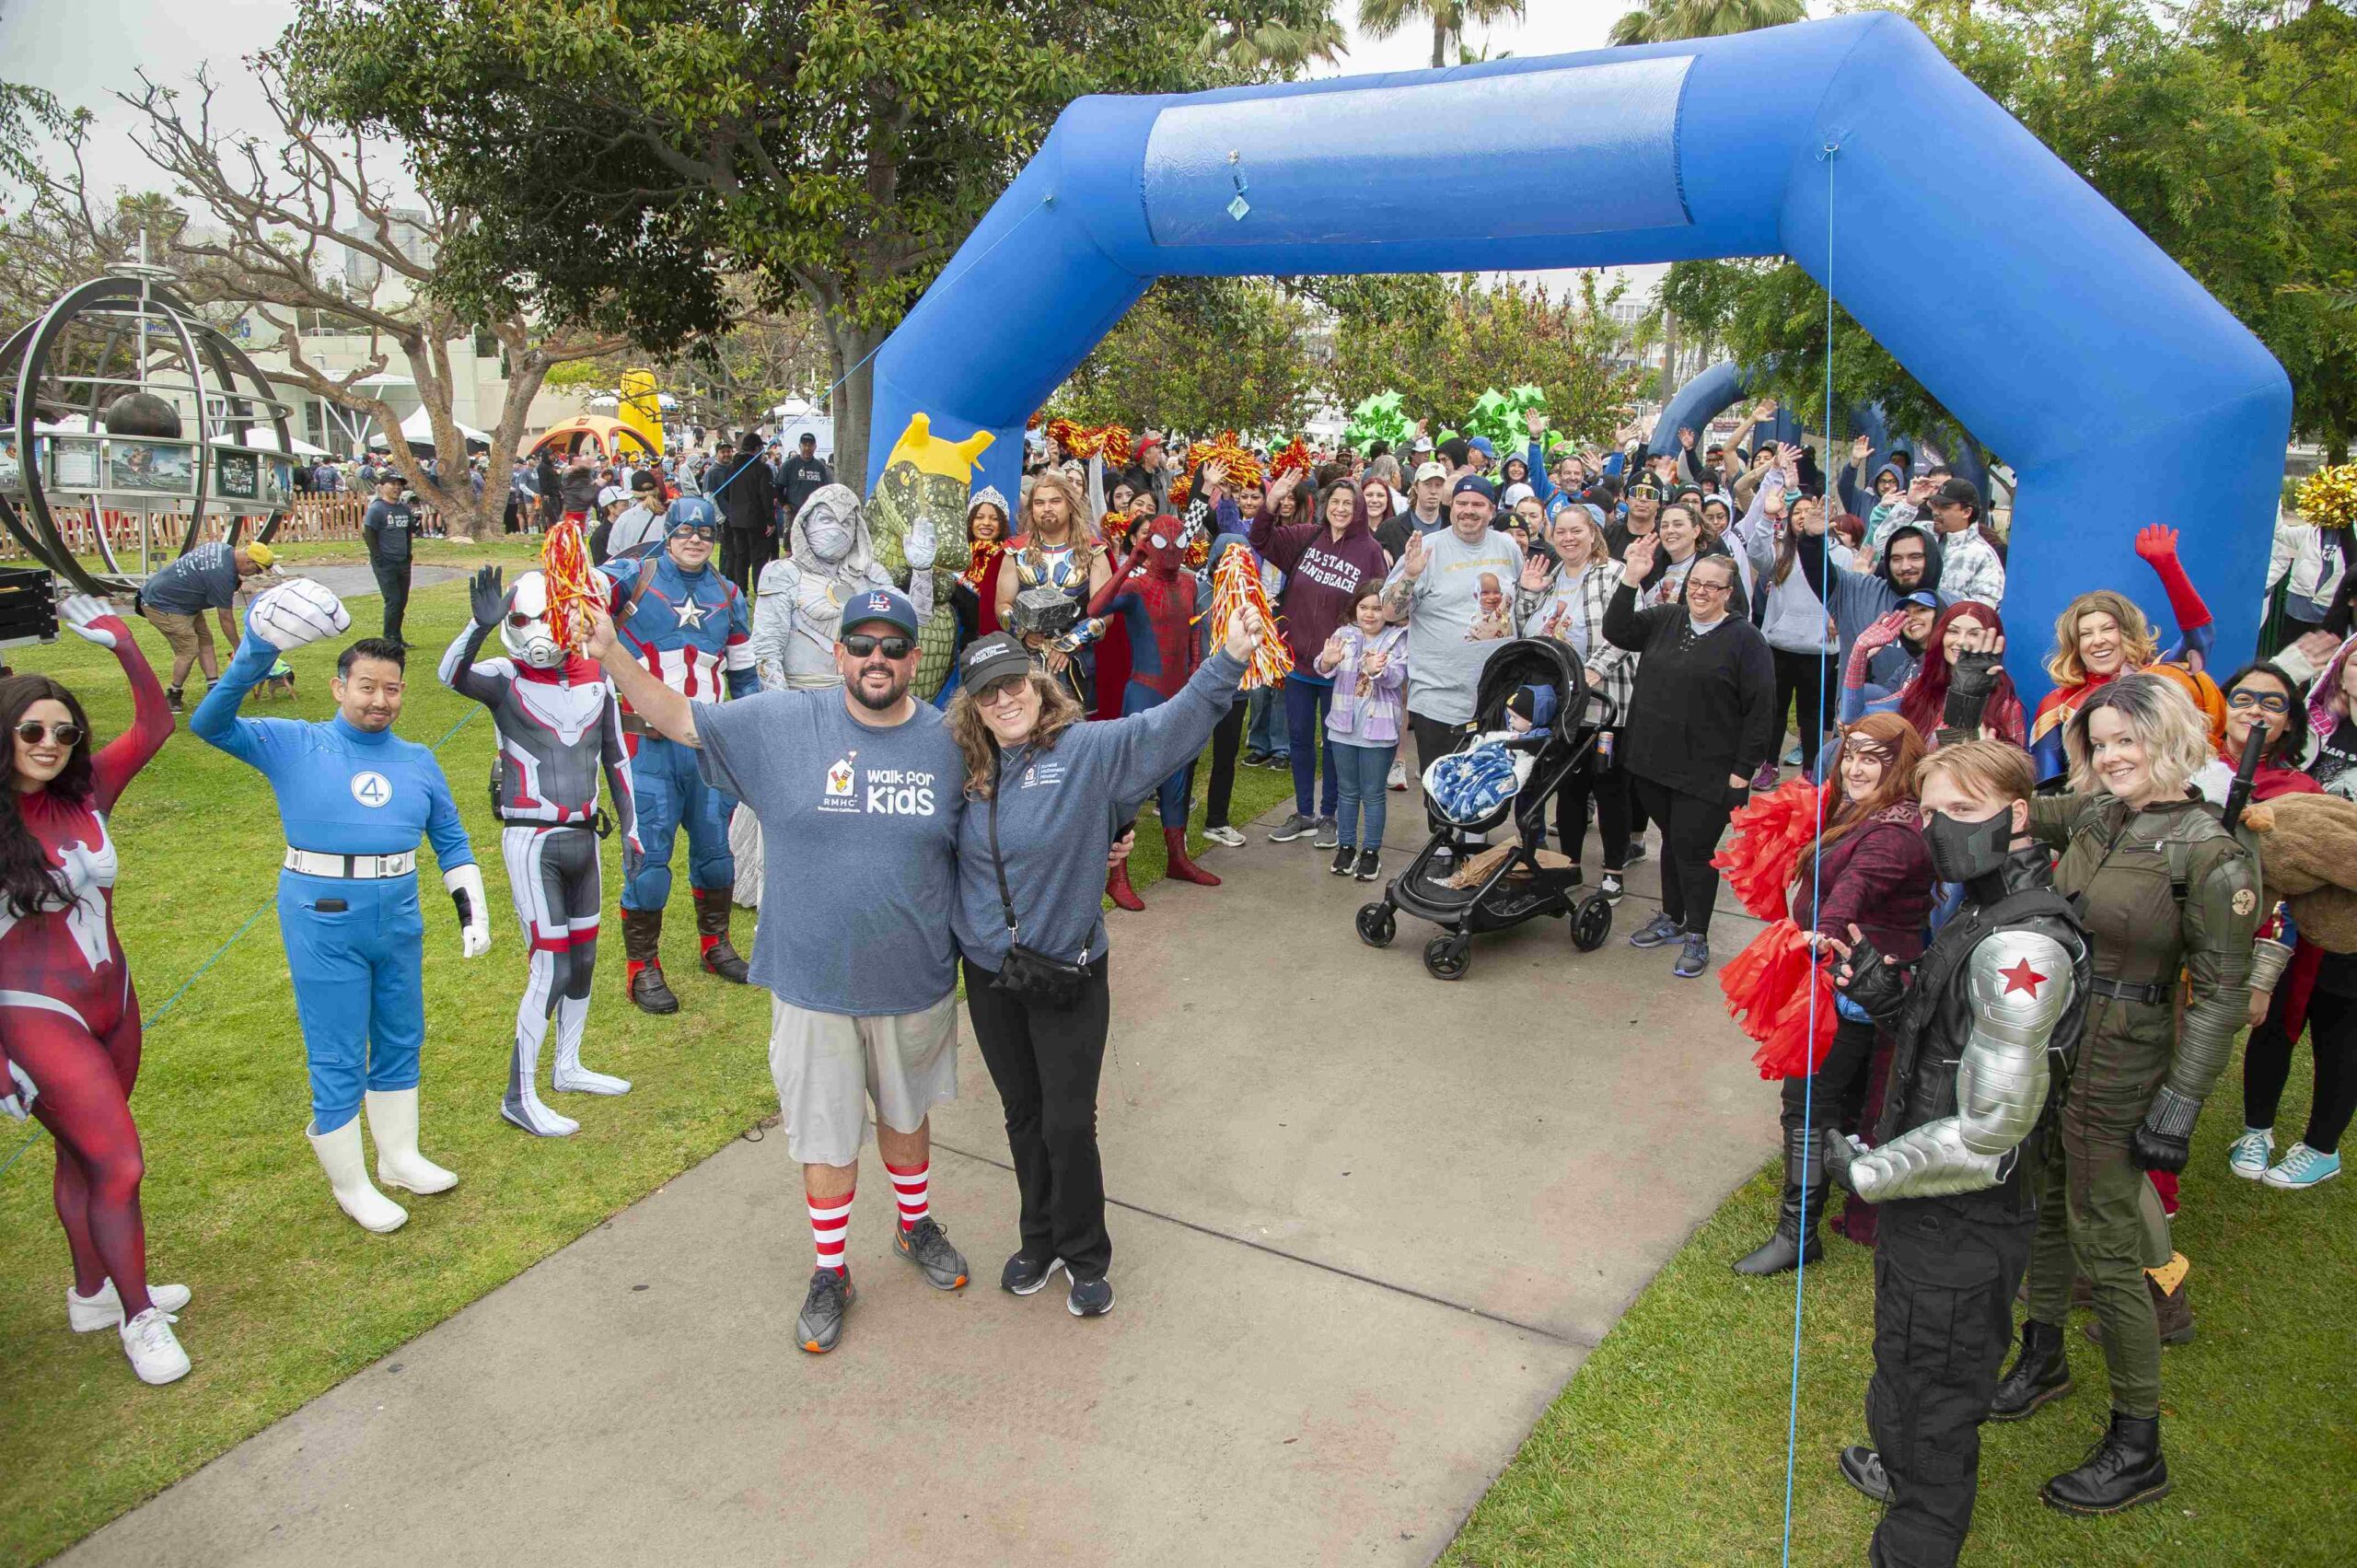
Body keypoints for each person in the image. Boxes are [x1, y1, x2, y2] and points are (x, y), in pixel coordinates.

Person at [585, 587, 971, 1355]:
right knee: (825, 1132)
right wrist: (610, 653)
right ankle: (831, 1269)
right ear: (838, 652)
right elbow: (682, 719)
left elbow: (1012, 819)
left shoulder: (952, 741)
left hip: (914, 974)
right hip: (811, 979)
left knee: (906, 1115)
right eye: (862, 644)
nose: (877, 658)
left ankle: (914, 1223)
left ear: (913, 659)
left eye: (894, 646)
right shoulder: (786, 722)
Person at [1980, 674, 2258, 1515]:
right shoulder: (2100, 813)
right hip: (2060, 1035)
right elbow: (2011, 802)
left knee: (2105, 1240)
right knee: (2046, 1198)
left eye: (2125, 741)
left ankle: (2139, 1445)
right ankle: (2044, 1355)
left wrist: (2180, 1104)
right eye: (2099, 743)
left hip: (2127, 1057)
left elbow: (2221, 996)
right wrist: (1957, 722)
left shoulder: (2212, 855)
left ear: (2167, 739)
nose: (2109, 756)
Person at [945, 610, 1265, 1318]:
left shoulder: (1085, 750)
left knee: (1067, 1120)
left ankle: (1085, 1253)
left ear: (1038, 683)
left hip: (1069, 970)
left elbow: (1168, 729)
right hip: (991, 974)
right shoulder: (962, 769)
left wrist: (1227, 660)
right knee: (1022, 1114)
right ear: (972, 706)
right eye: (988, 692)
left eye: (1013, 683)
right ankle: (1039, 1239)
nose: (1004, 699)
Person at [1819, 738, 2089, 1567]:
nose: (1940, 830)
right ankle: (1899, 1465)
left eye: (1964, 811)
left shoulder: (2022, 947)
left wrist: (1868, 1171)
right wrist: (1882, 991)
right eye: (1932, 811)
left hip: (1966, 1219)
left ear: (2018, 813)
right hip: (1927, 1214)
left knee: (1935, 1400)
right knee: (1903, 1365)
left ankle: (1914, 1534)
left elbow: (1989, 1133)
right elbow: (1943, 1048)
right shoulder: (1978, 908)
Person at [192, 582, 492, 1234]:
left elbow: (450, 839)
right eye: (366, 686)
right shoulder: (292, 741)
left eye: (392, 689)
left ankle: (399, 1157)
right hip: (323, 916)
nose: (379, 700)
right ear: (338, 687)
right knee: (336, 1050)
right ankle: (350, 1182)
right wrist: (255, 652)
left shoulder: (418, 760)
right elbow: (208, 724)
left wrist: (472, 906)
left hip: (398, 915)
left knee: (401, 1034)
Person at [1, 598, 192, 1384]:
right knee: (120, 1164)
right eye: (33, 731)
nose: (50, 743)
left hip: (116, 1003)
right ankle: (139, 1315)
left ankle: (93, 1292)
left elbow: (155, 726)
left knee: (83, 1156)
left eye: (65, 731)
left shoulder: (86, 794)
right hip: (37, 1015)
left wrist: (125, 647)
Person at [1727, 713, 1933, 1275]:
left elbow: (1855, 886)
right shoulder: (1866, 811)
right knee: (1833, 1103)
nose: (1855, 768)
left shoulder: (1895, 834)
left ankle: (1797, 1235)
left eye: (1873, 759)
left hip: (1853, 983)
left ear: (1901, 766)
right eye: (1851, 756)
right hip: (1845, 979)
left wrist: (1824, 931)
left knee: (1807, 1104)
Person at [439, 566, 641, 1138]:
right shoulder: (505, 677)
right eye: (524, 620)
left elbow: (615, 756)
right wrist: (477, 628)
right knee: (550, 965)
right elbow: (450, 674)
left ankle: (567, 1064)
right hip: (533, 839)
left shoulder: (596, 675)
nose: (539, 633)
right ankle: (519, 1094)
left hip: (584, 836)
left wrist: (632, 829)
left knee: (584, 957)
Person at [601, 499, 757, 1014]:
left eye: (706, 532)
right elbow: (577, 596)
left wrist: (751, 734)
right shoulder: (633, 577)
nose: (696, 540)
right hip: (645, 744)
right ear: (668, 534)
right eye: (686, 531)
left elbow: (744, 676)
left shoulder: (729, 593)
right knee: (649, 856)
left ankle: (716, 944)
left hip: (707, 743)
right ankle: (642, 967)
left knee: (716, 851)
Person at [1604, 542, 1776, 979]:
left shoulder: (1746, 640)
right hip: (1652, 761)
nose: (1700, 591)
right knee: (1672, 841)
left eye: (1711, 586)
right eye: (1695, 583)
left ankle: (1697, 933)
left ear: (1728, 592)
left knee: (1695, 850)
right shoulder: (1665, 618)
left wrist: (1744, 770)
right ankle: (1672, 917)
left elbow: (1761, 710)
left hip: (1709, 771)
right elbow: (1618, 631)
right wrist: (1630, 579)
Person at [2221, 658, 2349, 1189]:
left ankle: (2259, 1132)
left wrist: (2264, 971)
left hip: (2275, 937)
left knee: (2276, 1023)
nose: (2256, 710)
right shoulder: (2184, 768)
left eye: (2272, 703)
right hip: (2189, 931)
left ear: (2291, 721)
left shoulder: (2302, 791)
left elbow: (2304, 882)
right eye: (2244, 698)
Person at [1253, 472, 1390, 850]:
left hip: (1341, 668)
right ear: (1325, 505)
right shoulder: (1306, 536)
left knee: (1334, 744)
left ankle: (1330, 815)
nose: (1341, 509)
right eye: (1335, 502)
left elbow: (1378, 606)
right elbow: (1261, 539)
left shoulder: (1370, 551)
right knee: (1299, 739)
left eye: (1348, 503)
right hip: (1299, 662)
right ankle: (1304, 813)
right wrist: (1272, 501)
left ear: (1358, 509)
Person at [1095, 512, 1223, 904]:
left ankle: (1177, 858)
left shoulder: (1189, 582)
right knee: (1131, 782)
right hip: (1145, 694)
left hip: (1178, 692)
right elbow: (1095, 608)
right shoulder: (1136, 586)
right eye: (1162, 543)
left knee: (1178, 775)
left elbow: (1195, 629)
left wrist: (1197, 665)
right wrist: (1129, 563)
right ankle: (1117, 873)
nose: (1171, 552)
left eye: (1179, 543)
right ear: (1148, 544)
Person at [1380, 476, 1526, 813]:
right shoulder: (1428, 548)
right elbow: (1390, 612)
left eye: (1478, 504)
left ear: (1492, 510)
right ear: (1451, 506)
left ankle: (1474, 845)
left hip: (1496, 697)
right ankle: (1443, 843)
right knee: (1443, 790)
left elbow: (1520, 602)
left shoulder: (1507, 548)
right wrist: (1410, 576)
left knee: (1488, 792)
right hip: (1439, 697)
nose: (1468, 511)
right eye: (1462, 503)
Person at [2028, 525, 2216, 784]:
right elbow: (2047, 787)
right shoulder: (2057, 706)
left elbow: (2201, 638)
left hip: (2167, 799)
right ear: (2075, 645)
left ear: (2127, 633)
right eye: (2086, 634)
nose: (2098, 641)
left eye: (2108, 629)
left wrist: (2168, 568)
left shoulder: (2159, 679)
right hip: (2092, 806)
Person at [1515, 502, 1636, 898]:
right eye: (1561, 532)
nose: (1568, 539)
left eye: (1576, 531)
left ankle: (1613, 870)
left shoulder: (1614, 574)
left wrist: (1592, 671)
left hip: (1604, 705)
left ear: (1593, 533)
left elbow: (1628, 631)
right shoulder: (1550, 577)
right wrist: (1527, 593)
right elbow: (1525, 631)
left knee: (1609, 790)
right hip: (1564, 708)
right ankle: (1569, 866)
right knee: (1569, 790)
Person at [1733, 490, 1840, 784]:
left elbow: (1846, 592)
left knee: (1812, 713)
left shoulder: (1839, 554)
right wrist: (1768, 516)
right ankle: (1769, 765)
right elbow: (1756, 553)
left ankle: (1811, 769)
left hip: (1818, 648)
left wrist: (1837, 617)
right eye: (1798, 512)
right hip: (1779, 645)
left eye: (1810, 510)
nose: (1803, 516)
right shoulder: (1781, 553)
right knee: (1775, 710)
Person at [750, 485, 892, 691]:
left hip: (859, 697)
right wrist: (782, 704)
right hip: (802, 695)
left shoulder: (869, 574)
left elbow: (915, 619)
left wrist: (922, 572)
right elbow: (767, 650)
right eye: (826, 519)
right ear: (805, 522)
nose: (837, 530)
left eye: (847, 523)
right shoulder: (783, 573)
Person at [1314, 582, 1408, 880]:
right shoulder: (1344, 634)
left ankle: (1371, 852)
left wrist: (1379, 670)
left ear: (1388, 611)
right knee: (1347, 792)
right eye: (1364, 607)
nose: (1369, 614)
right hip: (1343, 727)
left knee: (1373, 794)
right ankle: (1346, 847)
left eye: (1377, 608)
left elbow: (1397, 678)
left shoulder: (1398, 638)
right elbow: (1323, 666)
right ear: (1355, 608)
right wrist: (1326, 661)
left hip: (1379, 730)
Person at [996, 469, 1111, 708]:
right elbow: (1002, 605)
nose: (1046, 508)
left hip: (1075, 662)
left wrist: (1070, 643)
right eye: (1039, 503)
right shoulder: (1015, 551)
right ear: (1031, 509)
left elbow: (1105, 613)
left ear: (1070, 505)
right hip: (1025, 660)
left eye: (1055, 501)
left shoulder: (1094, 551)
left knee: (1073, 725)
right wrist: (1023, 631)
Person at [135, 540, 279, 714]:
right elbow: (226, 618)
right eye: (257, 570)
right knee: (188, 650)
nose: (255, 574)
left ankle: (213, 688)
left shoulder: (224, 549)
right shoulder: (222, 575)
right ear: (249, 561)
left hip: (185, 601)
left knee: (205, 640)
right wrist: (239, 648)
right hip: (162, 604)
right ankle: (173, 694)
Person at [709, 432, 781, 598]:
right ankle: (759, 591)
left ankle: (741, 592)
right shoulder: (762, 469)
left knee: (741, 558)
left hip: (736, 520)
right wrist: (770, 521)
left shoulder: (732, 468)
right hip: (757, 520)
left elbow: (725, 494)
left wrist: (732, 512)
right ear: (757, 449)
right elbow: (766, 496)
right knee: (759, 558)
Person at [362, 472, 420, 646]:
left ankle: (397, 636)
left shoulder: (404, 509)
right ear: (382, 487)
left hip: (402, 561)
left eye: (399, 485)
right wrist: (378, 557)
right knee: (393, 600)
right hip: (385, 562)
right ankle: (389, 638)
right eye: (392, 484)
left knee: (402, 601)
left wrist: (408, 554)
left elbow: (407, 533)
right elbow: (369, 534)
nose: (397, 488)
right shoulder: (377, 509)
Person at [951, 486, 1013, 645]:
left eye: (994, 519)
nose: (986, 523)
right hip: (962, 639)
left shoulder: (1009, 557)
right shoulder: (957, 556)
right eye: (979, 517)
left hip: (999, 638)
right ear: (970, 521)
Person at [779, 431, 831, 521]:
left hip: (814, 514)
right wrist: (784, 505)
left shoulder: (820, 467)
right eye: (804, 445)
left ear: (815, 447)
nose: (807, 448)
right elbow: (778, 487)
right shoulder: (789, 465)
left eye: (810, 445)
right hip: (794, 514)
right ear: (800, 446)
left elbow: (826, 489)